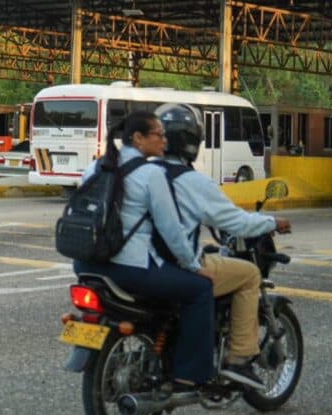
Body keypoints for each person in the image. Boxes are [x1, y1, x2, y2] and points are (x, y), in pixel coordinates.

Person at [72, 110, 216, 396]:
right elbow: (171, 230)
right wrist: (192, 265)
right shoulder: (151, 174)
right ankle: (189, 376)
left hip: (86, 265)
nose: (165, 140)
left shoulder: (97, 167)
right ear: (138, 138)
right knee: (200, 289)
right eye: (158, 135)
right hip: (129, 269)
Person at [154, 103, 292, 389]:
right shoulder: (192, 181)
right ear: (193, 142)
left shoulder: (141, 173)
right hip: (177, 264)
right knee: (249, 275)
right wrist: (272, 222)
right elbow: (237, 222)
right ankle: (238, 359)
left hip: (140, 263)